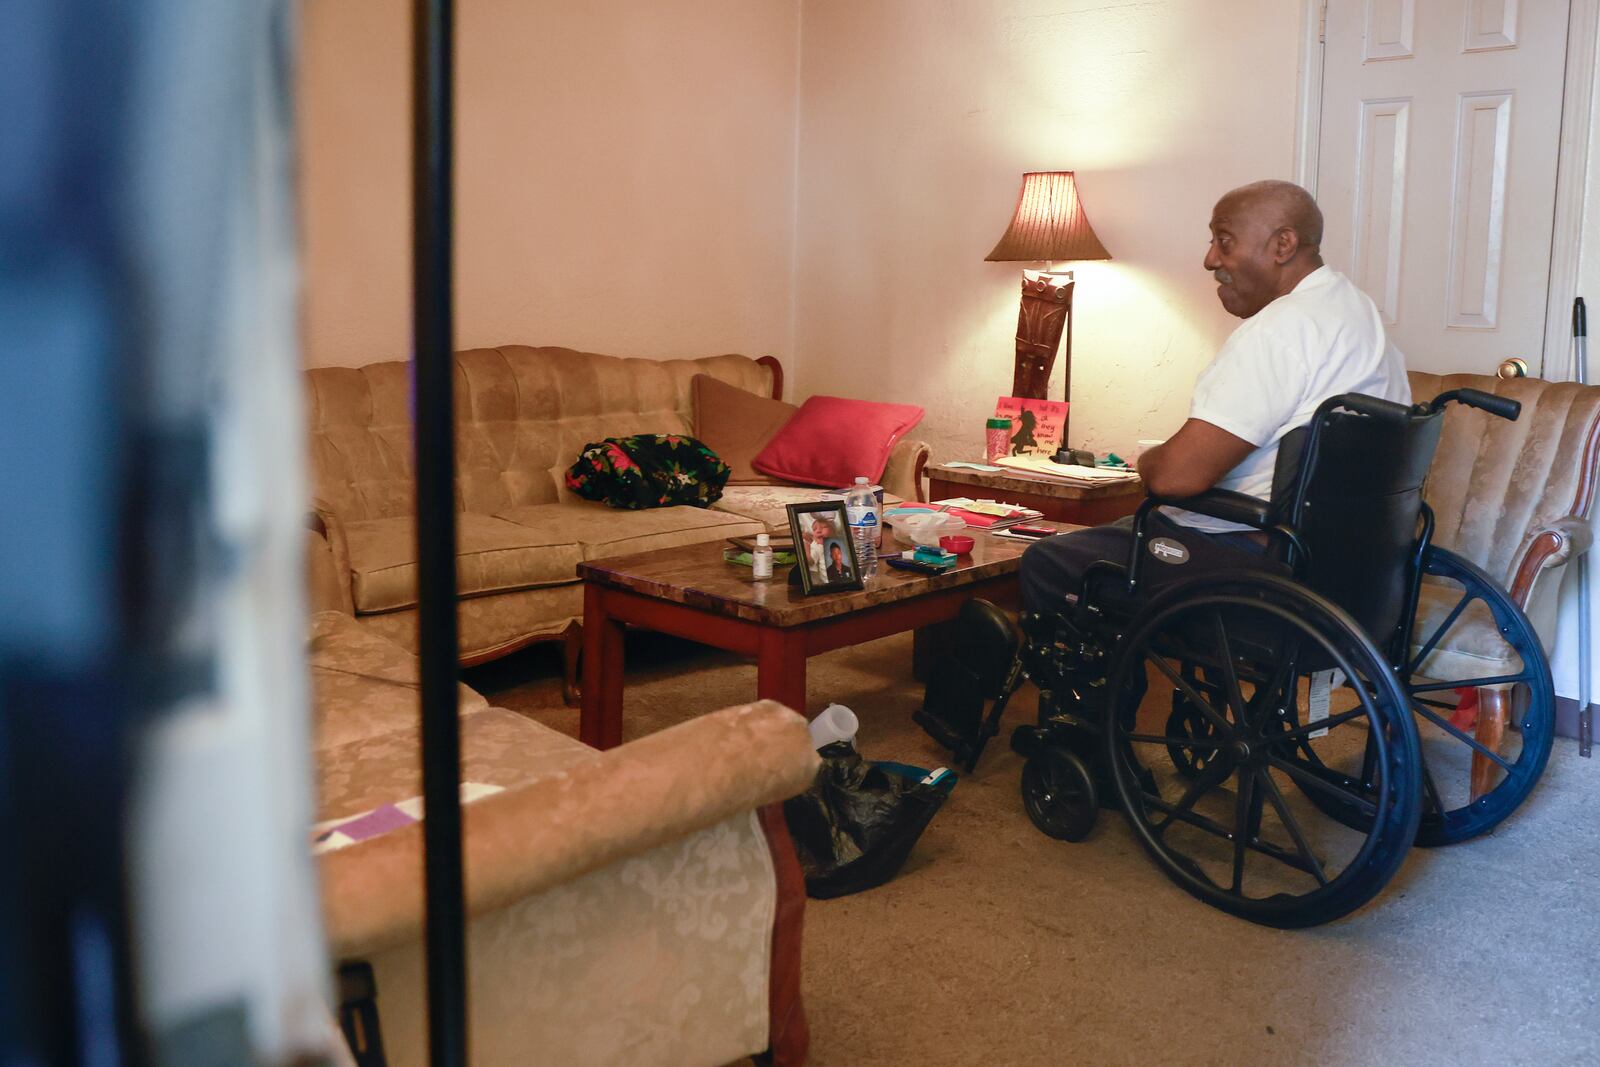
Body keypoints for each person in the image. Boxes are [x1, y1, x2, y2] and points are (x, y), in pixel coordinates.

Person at [1019, 179, 1411, 614]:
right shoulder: (1358, 314)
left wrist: (1149, 463)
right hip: (1347, 565)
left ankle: (1100, 682)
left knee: (1047, 560)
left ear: (1283, 245)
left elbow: (1176, 478)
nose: (1210, 259)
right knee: (1115, 535)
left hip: (1254, 556)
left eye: (1224, 241)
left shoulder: (1281, 331)